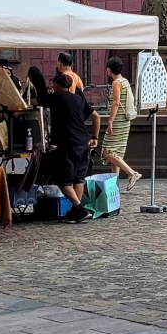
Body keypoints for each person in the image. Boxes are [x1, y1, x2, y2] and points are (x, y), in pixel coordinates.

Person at [45, 73, 102, 222]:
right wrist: (95, 137)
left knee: (62, 181)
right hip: (83, 143)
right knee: (78, 179)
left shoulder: (56, 98)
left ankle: (79, 208)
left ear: (56, 85)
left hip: (68, 144)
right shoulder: (78, 99)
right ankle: (75, 211)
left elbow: (34, 101)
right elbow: (96, 116)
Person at [101, 58, 141, 191]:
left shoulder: (116, 83)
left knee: (108, 151)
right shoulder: (125, 81)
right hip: (125, 120)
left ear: (109, 69)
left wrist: (110, 121)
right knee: (116, 153)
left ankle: (131, 173)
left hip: (118, 120)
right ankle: (114, 184)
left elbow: (116, 103)